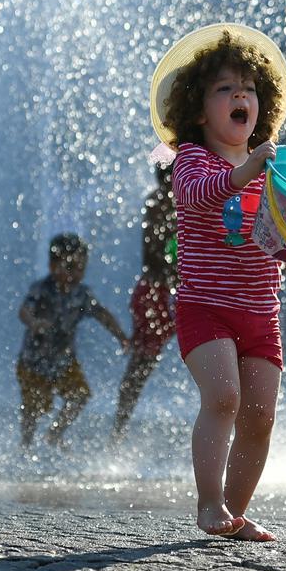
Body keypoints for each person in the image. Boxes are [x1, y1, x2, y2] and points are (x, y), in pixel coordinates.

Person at [150, 23, 286, 541]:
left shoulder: (275, 171)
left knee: (260, 416)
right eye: (224, 88)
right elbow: (199, 194)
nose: (239, 95)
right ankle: (208, 503)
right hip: (206, 307)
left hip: (261, 314)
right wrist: (246, 172)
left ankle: (234, 513)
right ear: (199, 112)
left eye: (247, 88)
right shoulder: (193, 160)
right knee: (224, 398)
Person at [17, 233, 129, 450]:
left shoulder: (82, 294)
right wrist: (34, 323)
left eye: (81, 268)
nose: (75, 273)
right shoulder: (41, 289)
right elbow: (24, 311)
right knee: (33, 408)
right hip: (33, 363)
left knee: (79, 396)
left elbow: (102, 314)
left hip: (64, 361)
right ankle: (26, 445)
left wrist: (121, 336)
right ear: (52, 266)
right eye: (69, 267)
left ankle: (54, 433)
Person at [111, 163, 178, 443]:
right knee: (141, 363)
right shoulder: (160, 202)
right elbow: (154, 256)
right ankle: (118, 429)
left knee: (143, 363)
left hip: (168, 291)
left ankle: (118, 428)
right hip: (155, 293)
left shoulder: (172, 201)